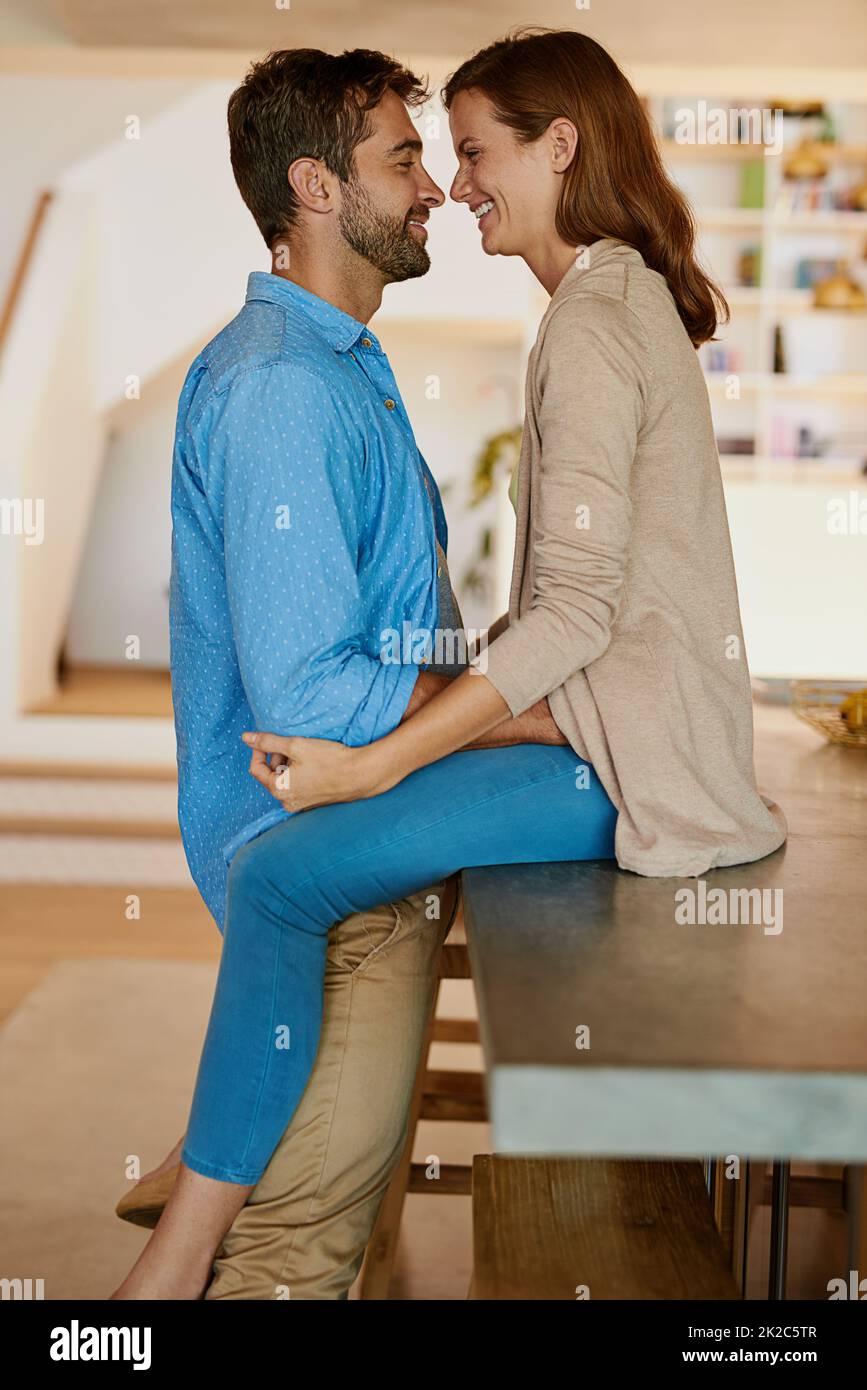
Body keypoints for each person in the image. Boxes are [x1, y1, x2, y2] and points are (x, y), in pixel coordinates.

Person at [112, 28, 786, 1301]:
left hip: (619, 765)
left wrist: (424, 748)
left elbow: (577, 616)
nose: (447, 184)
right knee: (290, 909)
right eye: (420, 156)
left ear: (560, 149)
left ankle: (179, 1242)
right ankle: (190, 1239)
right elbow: (364, 671)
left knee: (287, 892)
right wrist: (504, 715)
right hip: (612, 753)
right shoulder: (322, 376)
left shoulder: (580, 320)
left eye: (468, 154)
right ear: (317, 186)